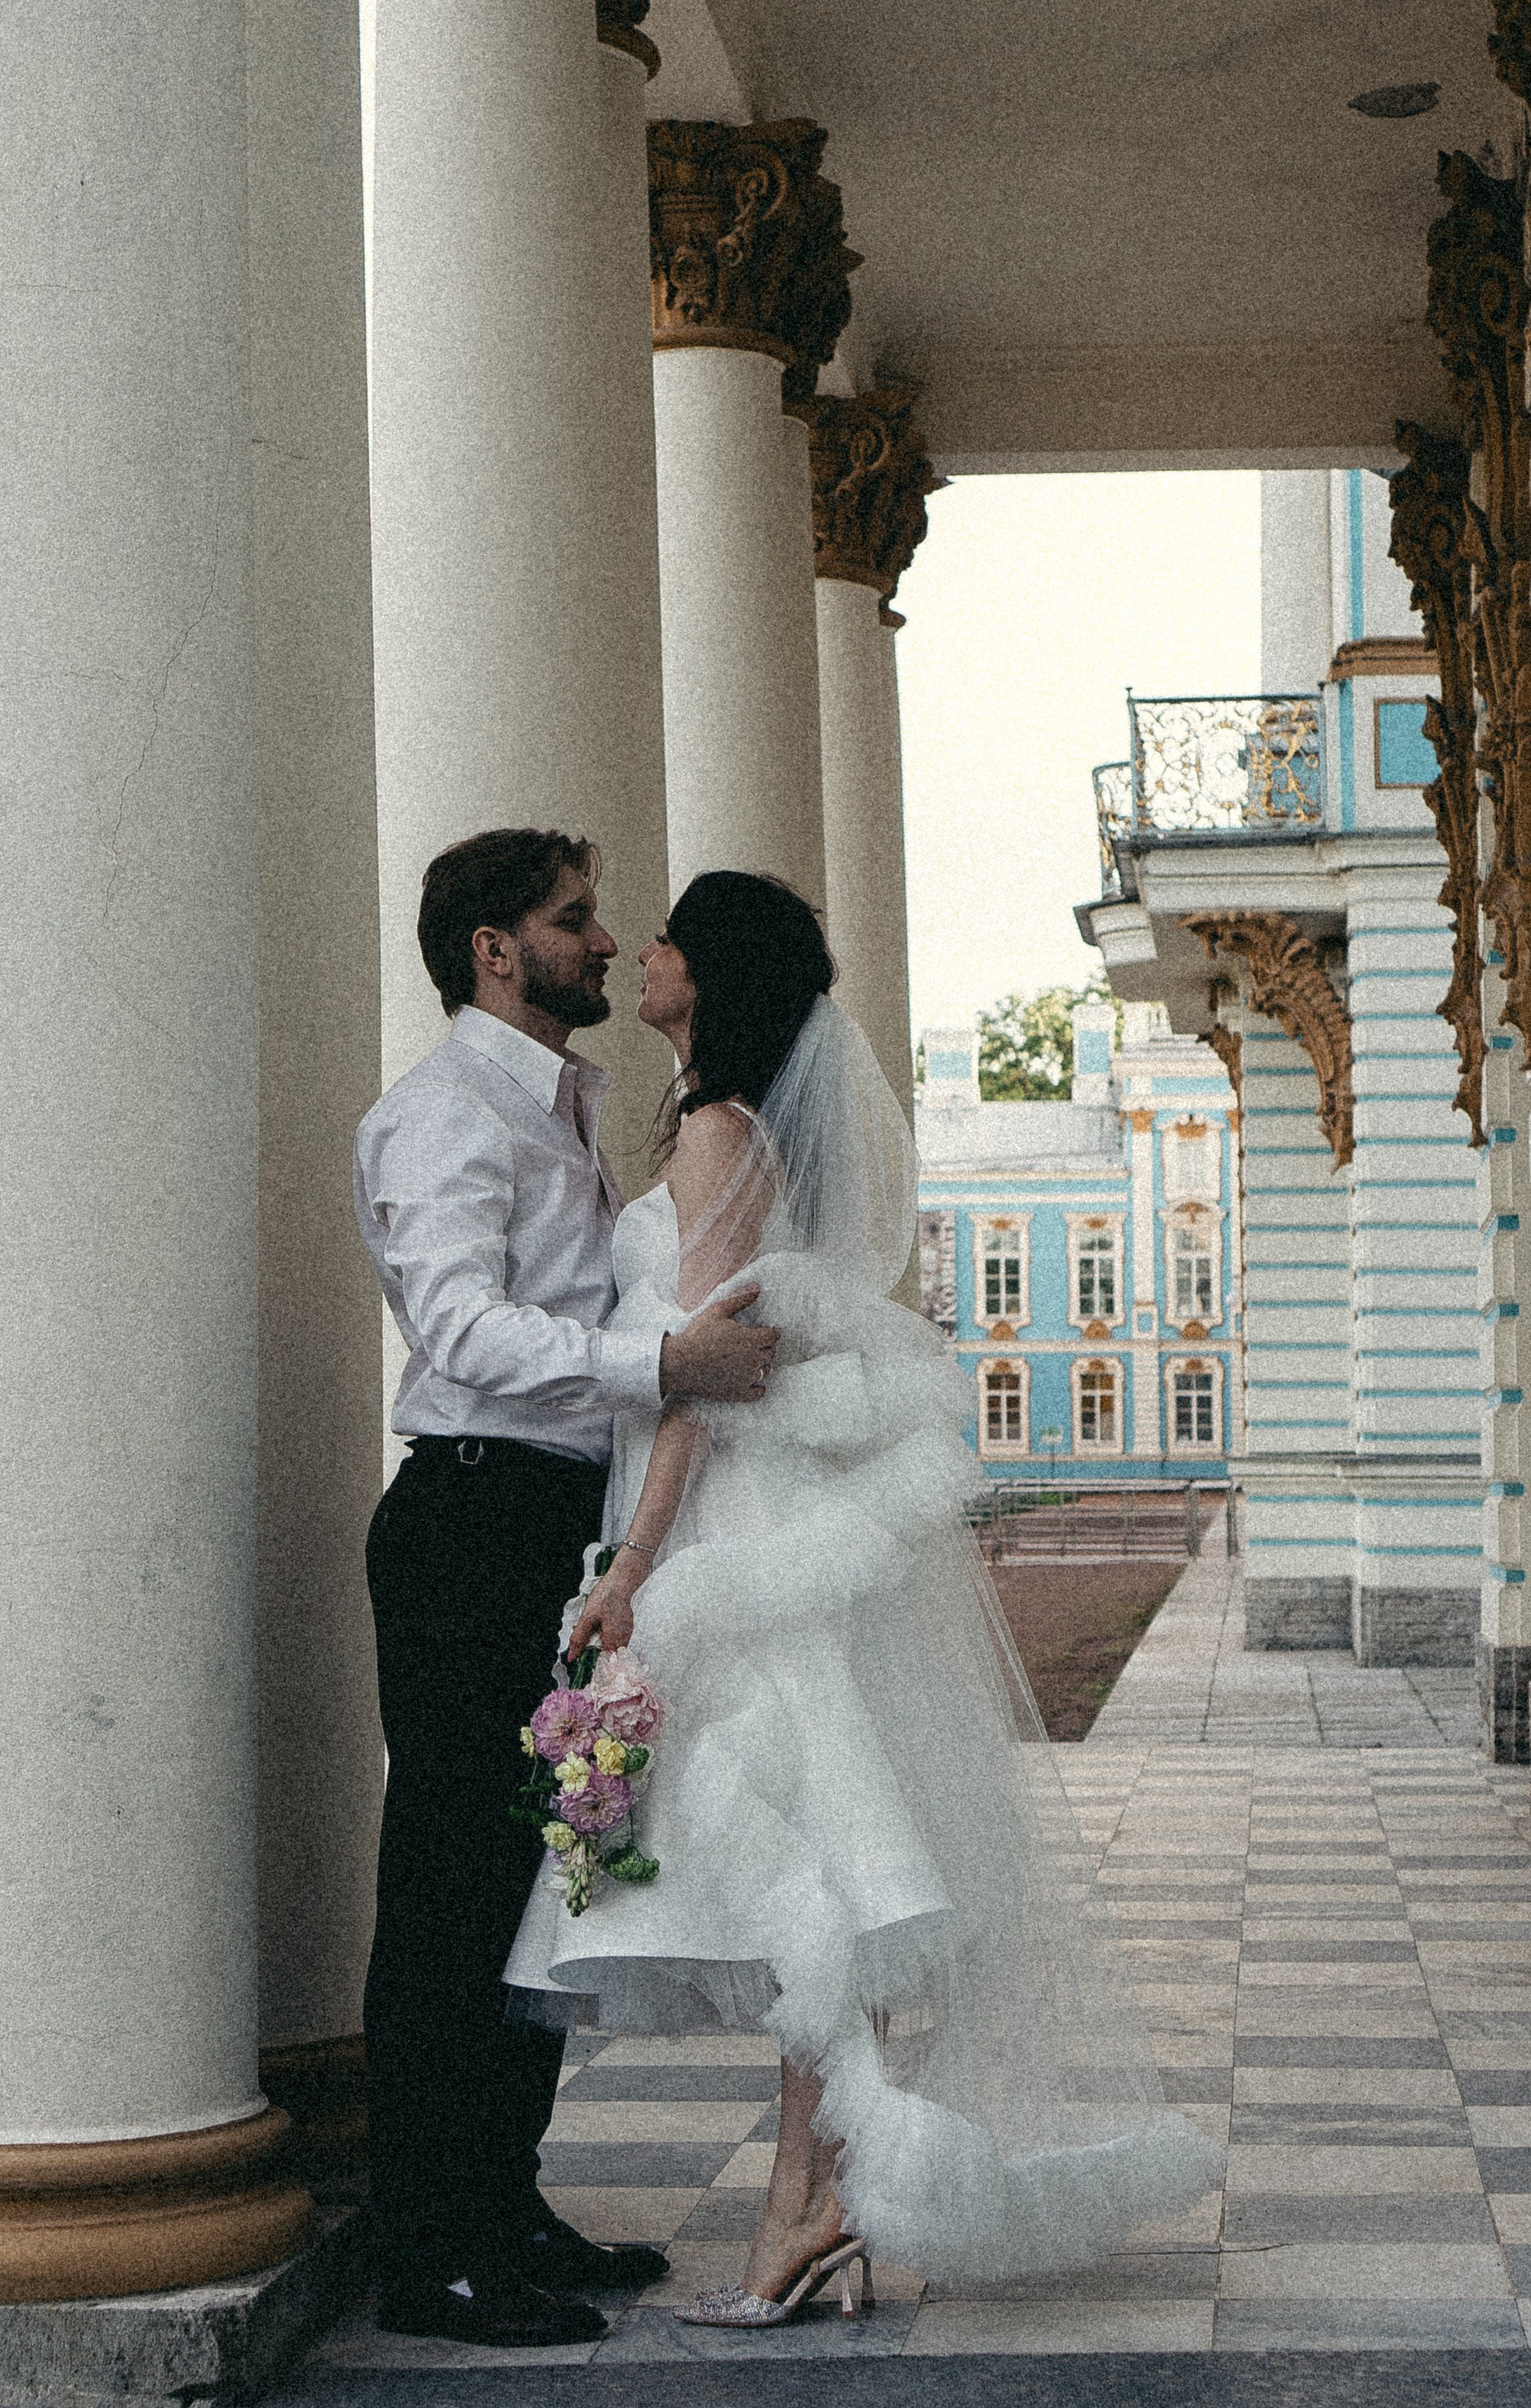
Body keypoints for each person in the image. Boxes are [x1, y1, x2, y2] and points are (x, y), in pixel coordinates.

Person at [506, 870, 1222, 2327]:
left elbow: (707, 1378)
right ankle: (813, 2198)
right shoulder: (741, 1132)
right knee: (810, 1874)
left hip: (729, 1529)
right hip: (751, 1520)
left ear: (709, 975)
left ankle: (808, 2201)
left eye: (666, 937)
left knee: (804, 1871)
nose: (639, 952)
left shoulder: (716, 1136)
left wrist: (634, 1565)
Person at [352, 827, 781, 2348]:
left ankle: (500, 2198)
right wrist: (658, 1360)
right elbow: (460, 1331)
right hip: (470, 1523)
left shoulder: (554, 1108)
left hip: (549, 1525)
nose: (603, 944)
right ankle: (426, 2248)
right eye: (573, 921)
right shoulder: (443, 1118)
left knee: (542, 1872)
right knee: (452, 1891)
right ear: (491, 948)